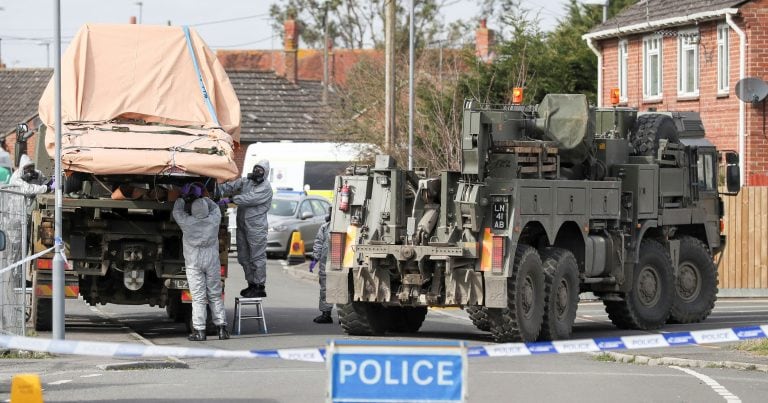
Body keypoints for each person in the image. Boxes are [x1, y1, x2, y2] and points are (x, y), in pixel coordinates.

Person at [172, 187, 229, 341]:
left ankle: (200, 331)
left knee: (198, 297)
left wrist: (182, 197)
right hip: (211, 260)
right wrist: (205, 198)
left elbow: (177, 211)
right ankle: (222, 329)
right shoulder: (214, 220)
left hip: (194, 260)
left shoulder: (187, 222)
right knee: (215, 295)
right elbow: (215, 208)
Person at [218, 160, 272, 298]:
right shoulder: (246, 182)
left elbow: (249, 199)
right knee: (243, 257)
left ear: (265, 173)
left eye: (260, 171)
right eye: (256, 169)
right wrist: (215, 189)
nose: (256, 172)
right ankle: (251, 284)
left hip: (256, 228)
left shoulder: (265, 188)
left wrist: (230, 200)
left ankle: (260, 286)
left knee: (257, 257)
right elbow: (231, 186)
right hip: (242, 225)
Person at [309, 209, 333, 323]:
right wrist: (315, 258)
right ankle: (326, 314)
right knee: (326, 287)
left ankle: (331, 314)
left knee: (340, 288)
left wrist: (315, 259)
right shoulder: (325, 227)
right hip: (326, 261)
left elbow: (319, 243)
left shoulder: (326, 227)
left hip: (332, 261)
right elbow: (319, 242)